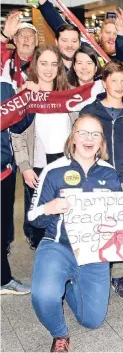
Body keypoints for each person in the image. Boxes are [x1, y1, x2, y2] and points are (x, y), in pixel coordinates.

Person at [28, 114, 121, 352]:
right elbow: (33, 218)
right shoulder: (54, 170)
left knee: (92, 321)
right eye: (82, 132)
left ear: (102, 141)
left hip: (94, 252)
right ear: (73, 137)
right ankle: (60, 334)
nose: (88, 138)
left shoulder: (110, 174)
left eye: (95, 134)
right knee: (44, 296)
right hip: (58, 246)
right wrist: (49, 208)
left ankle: (68, 284)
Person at [80, 61, 123, 299]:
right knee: (96, 228)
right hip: (96, 182)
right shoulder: (89, 112)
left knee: (120, 231)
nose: (119, 85)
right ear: (104, 82)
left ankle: (118, 275)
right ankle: (93, 274)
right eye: (113, 80)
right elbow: (79, 148)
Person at [11, 45, 76, 249]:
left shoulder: (67, 94)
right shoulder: (27, 95)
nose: (49, 69)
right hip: (38, 164)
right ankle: (43, 252)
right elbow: (17, 133)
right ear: (35, 66)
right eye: (43, 63)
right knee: (40, 212)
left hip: (66, 161)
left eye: (54, 64)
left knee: (69, 210)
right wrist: (25, 166)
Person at [0, 79, 33, 295]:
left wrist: (26, 102)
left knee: (2, 229)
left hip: (4, 171)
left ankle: (3, 278)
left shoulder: (5, 88)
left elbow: (18, 125)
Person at [1, 10, 37, 90]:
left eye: (30, 36)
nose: (26, 39)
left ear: (36, 42)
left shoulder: (42, 60)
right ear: (14, 40)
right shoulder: (5, 57)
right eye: (22, 35)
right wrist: (5, 34)